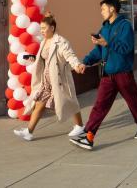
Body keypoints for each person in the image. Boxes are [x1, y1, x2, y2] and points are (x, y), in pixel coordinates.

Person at [70, 0, 137, 151]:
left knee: (133, 102)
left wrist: (107, 43)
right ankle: (89, 136)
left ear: (112, 9)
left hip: (123, 73)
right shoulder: (104, 28)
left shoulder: (125, 26)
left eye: (103, 9)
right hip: (107, 74)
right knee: (99, 106)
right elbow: (98, 51)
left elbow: (126, 48)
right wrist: (85, 62)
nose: (101, 12)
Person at [12, 14, 86, 142]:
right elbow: (45, 59)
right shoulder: (44, 42)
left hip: (59, 79)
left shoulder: (61, 42)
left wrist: (77, 65)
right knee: (39, 104)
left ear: (52, 28)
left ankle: (80, 126)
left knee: (70, 101)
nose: (41, 31)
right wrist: (34, 59)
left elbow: (69, 55)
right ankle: (29, 132)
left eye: (43, 28)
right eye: (40, 28)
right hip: (46, 80)